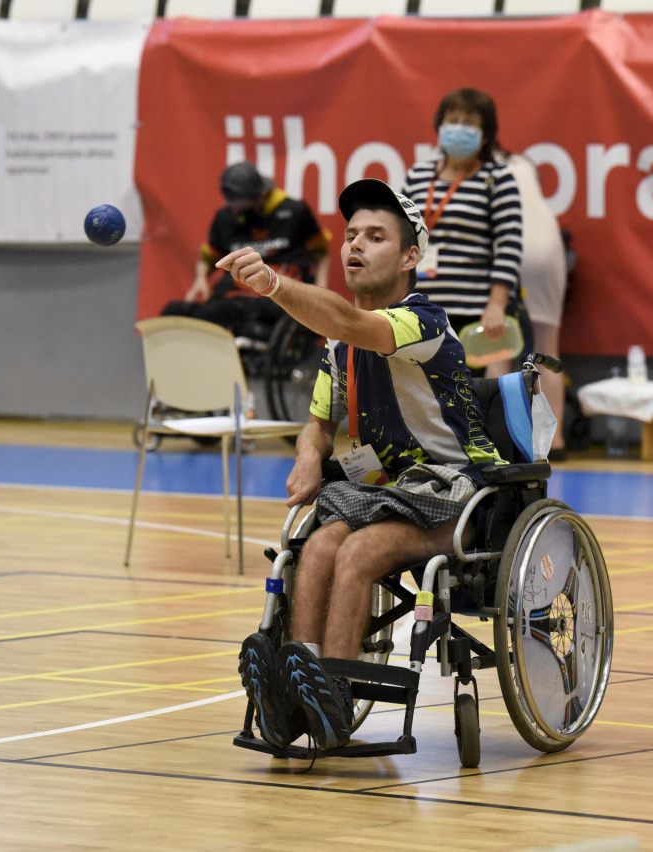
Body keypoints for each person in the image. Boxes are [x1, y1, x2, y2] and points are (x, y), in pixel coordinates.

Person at [225, 179, 502, 751]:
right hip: (383, 491)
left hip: (452, 489)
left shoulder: (424, 322)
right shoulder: (338, 346)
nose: (355, 244)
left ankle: (336, 693)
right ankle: (298, 689)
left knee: (357, 552)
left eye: (376, 237)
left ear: (409, 257)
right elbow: (318, 422)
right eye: (351, 235)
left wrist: (274, 284)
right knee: (317, 546)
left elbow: (352, 324)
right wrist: (309, 455)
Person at [401, 88, 522, 377]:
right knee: (421, 392)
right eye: (452, 120)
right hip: (419, 307)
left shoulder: (498, 179)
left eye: (469, 123)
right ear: (440, 126)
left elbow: (509, 246)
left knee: (470, 393)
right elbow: (401, 236)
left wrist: (497, 305)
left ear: (485, 134)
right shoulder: (417, 176)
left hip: (475, 313)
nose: (459, 128)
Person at [162, 161, 330, 339]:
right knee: (174, 311)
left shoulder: (295, 212)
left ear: (259, 195)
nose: (229, 204)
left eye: (235, 200)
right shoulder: (225, 218)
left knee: (227, 313)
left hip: (277, 294)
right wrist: (201, 278)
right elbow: (208, 257)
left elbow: (322, 252)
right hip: (233, 293)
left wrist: (321, 289)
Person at [502, 150, 569, 459]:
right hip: (547, 245)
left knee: (499, 346)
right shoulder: (525, 167)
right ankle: (555, 443)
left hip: (510, 243)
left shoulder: (480, 166)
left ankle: (496, 438)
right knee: (547, 348)